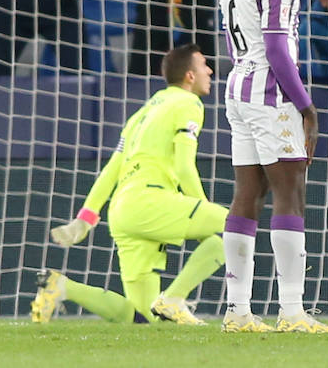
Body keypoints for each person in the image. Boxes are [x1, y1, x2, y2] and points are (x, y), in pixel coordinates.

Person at [30, 45, 227, 326]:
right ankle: (174, 298)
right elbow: (184, 167)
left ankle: (61, 287)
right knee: (236, 230)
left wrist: (84, 220)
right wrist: (202, 209)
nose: (210, 70)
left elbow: (112, 169)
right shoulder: (188, 103)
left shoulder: (143, 113)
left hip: (123, 212)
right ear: (189, 76)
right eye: (204, 65)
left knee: (144, 317)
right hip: (151, 201)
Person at [216, 0, 328, 333]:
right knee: (290, 192)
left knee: (247, 193)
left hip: (237, 84)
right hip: (268, 89)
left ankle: (238, 312)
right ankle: (292, 312)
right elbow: (276, 48)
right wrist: (306, 107)